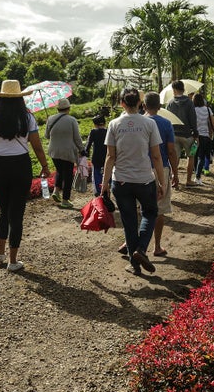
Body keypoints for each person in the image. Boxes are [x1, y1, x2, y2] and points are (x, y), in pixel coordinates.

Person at [0, 80, 51, 272]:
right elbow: (37, 146)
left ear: (0, 99)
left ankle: (0, 254)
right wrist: (45, 166)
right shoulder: (28, 119)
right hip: (20, 166)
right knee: (16, 213)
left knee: (3, 210)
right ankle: (13, 261)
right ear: (19, 99)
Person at [102, 88, 166, 276]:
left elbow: (109, 156)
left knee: (129, 222)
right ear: (140, 103)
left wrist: (104, 183)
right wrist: (161, 182)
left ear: (122, 103)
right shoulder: (149, 124)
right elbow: (156, 156)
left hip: (120, 180)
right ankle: (141, 250)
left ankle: (134, 264)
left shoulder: (114, 124)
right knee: (150, 212)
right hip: (144, 180)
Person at [45, 98, 83, 210]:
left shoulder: (50, 119)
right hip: (67, 152)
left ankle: (56, 191)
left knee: (59, 171)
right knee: (67, 175)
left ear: (57, 109)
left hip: (53, 151)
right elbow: (77, 138)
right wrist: (82, 149)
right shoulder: (72, 120)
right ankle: (65, 200)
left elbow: (47, 136)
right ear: (68, 108)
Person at [165, 80, 198, 187]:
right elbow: (193, 118)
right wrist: (195, 132)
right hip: (187, 134)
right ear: (183, 89)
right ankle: (188, 180)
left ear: (174, 90)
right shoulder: (189, 102)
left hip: (173, 134)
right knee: (191, 156)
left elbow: (167, 119)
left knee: (175, 158)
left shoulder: (170, 103)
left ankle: (175, 179)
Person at [192, 93, 214, 186]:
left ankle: (195, 174)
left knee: (194, 155)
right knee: (201, 157)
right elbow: (213, 122)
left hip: (194, 136)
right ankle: (198, 176)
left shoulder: (192, 110)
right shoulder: (207, 109)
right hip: (205, 136)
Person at [84, 115, 108, 196]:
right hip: (107, 157)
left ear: (95, 124)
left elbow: (88, 144)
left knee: (97, 175)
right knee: (107, 173)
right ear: (104, 123)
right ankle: (107, 189)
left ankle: (98, 192)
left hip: (96, 157)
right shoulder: (108, 131)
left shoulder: (93, 132)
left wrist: (86, 153)